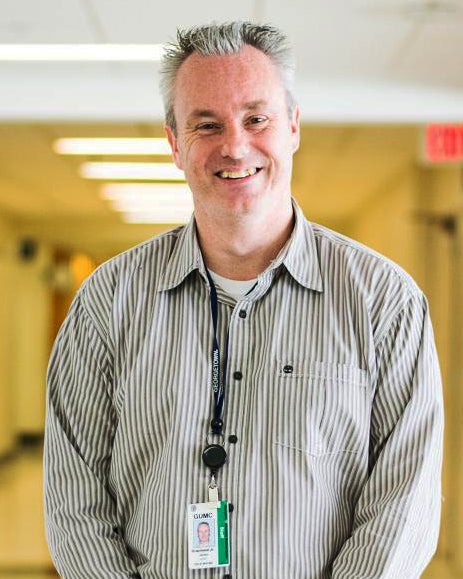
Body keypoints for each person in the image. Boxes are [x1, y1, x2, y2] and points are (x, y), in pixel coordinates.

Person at [44, 21, 444, 579]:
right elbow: (74, 501)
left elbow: (405, 506)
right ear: (174, 144)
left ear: (293, 127)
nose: (234, 145)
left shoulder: (385, 304)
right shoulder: (106, 305)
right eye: (206, 124)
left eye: (257, 118)